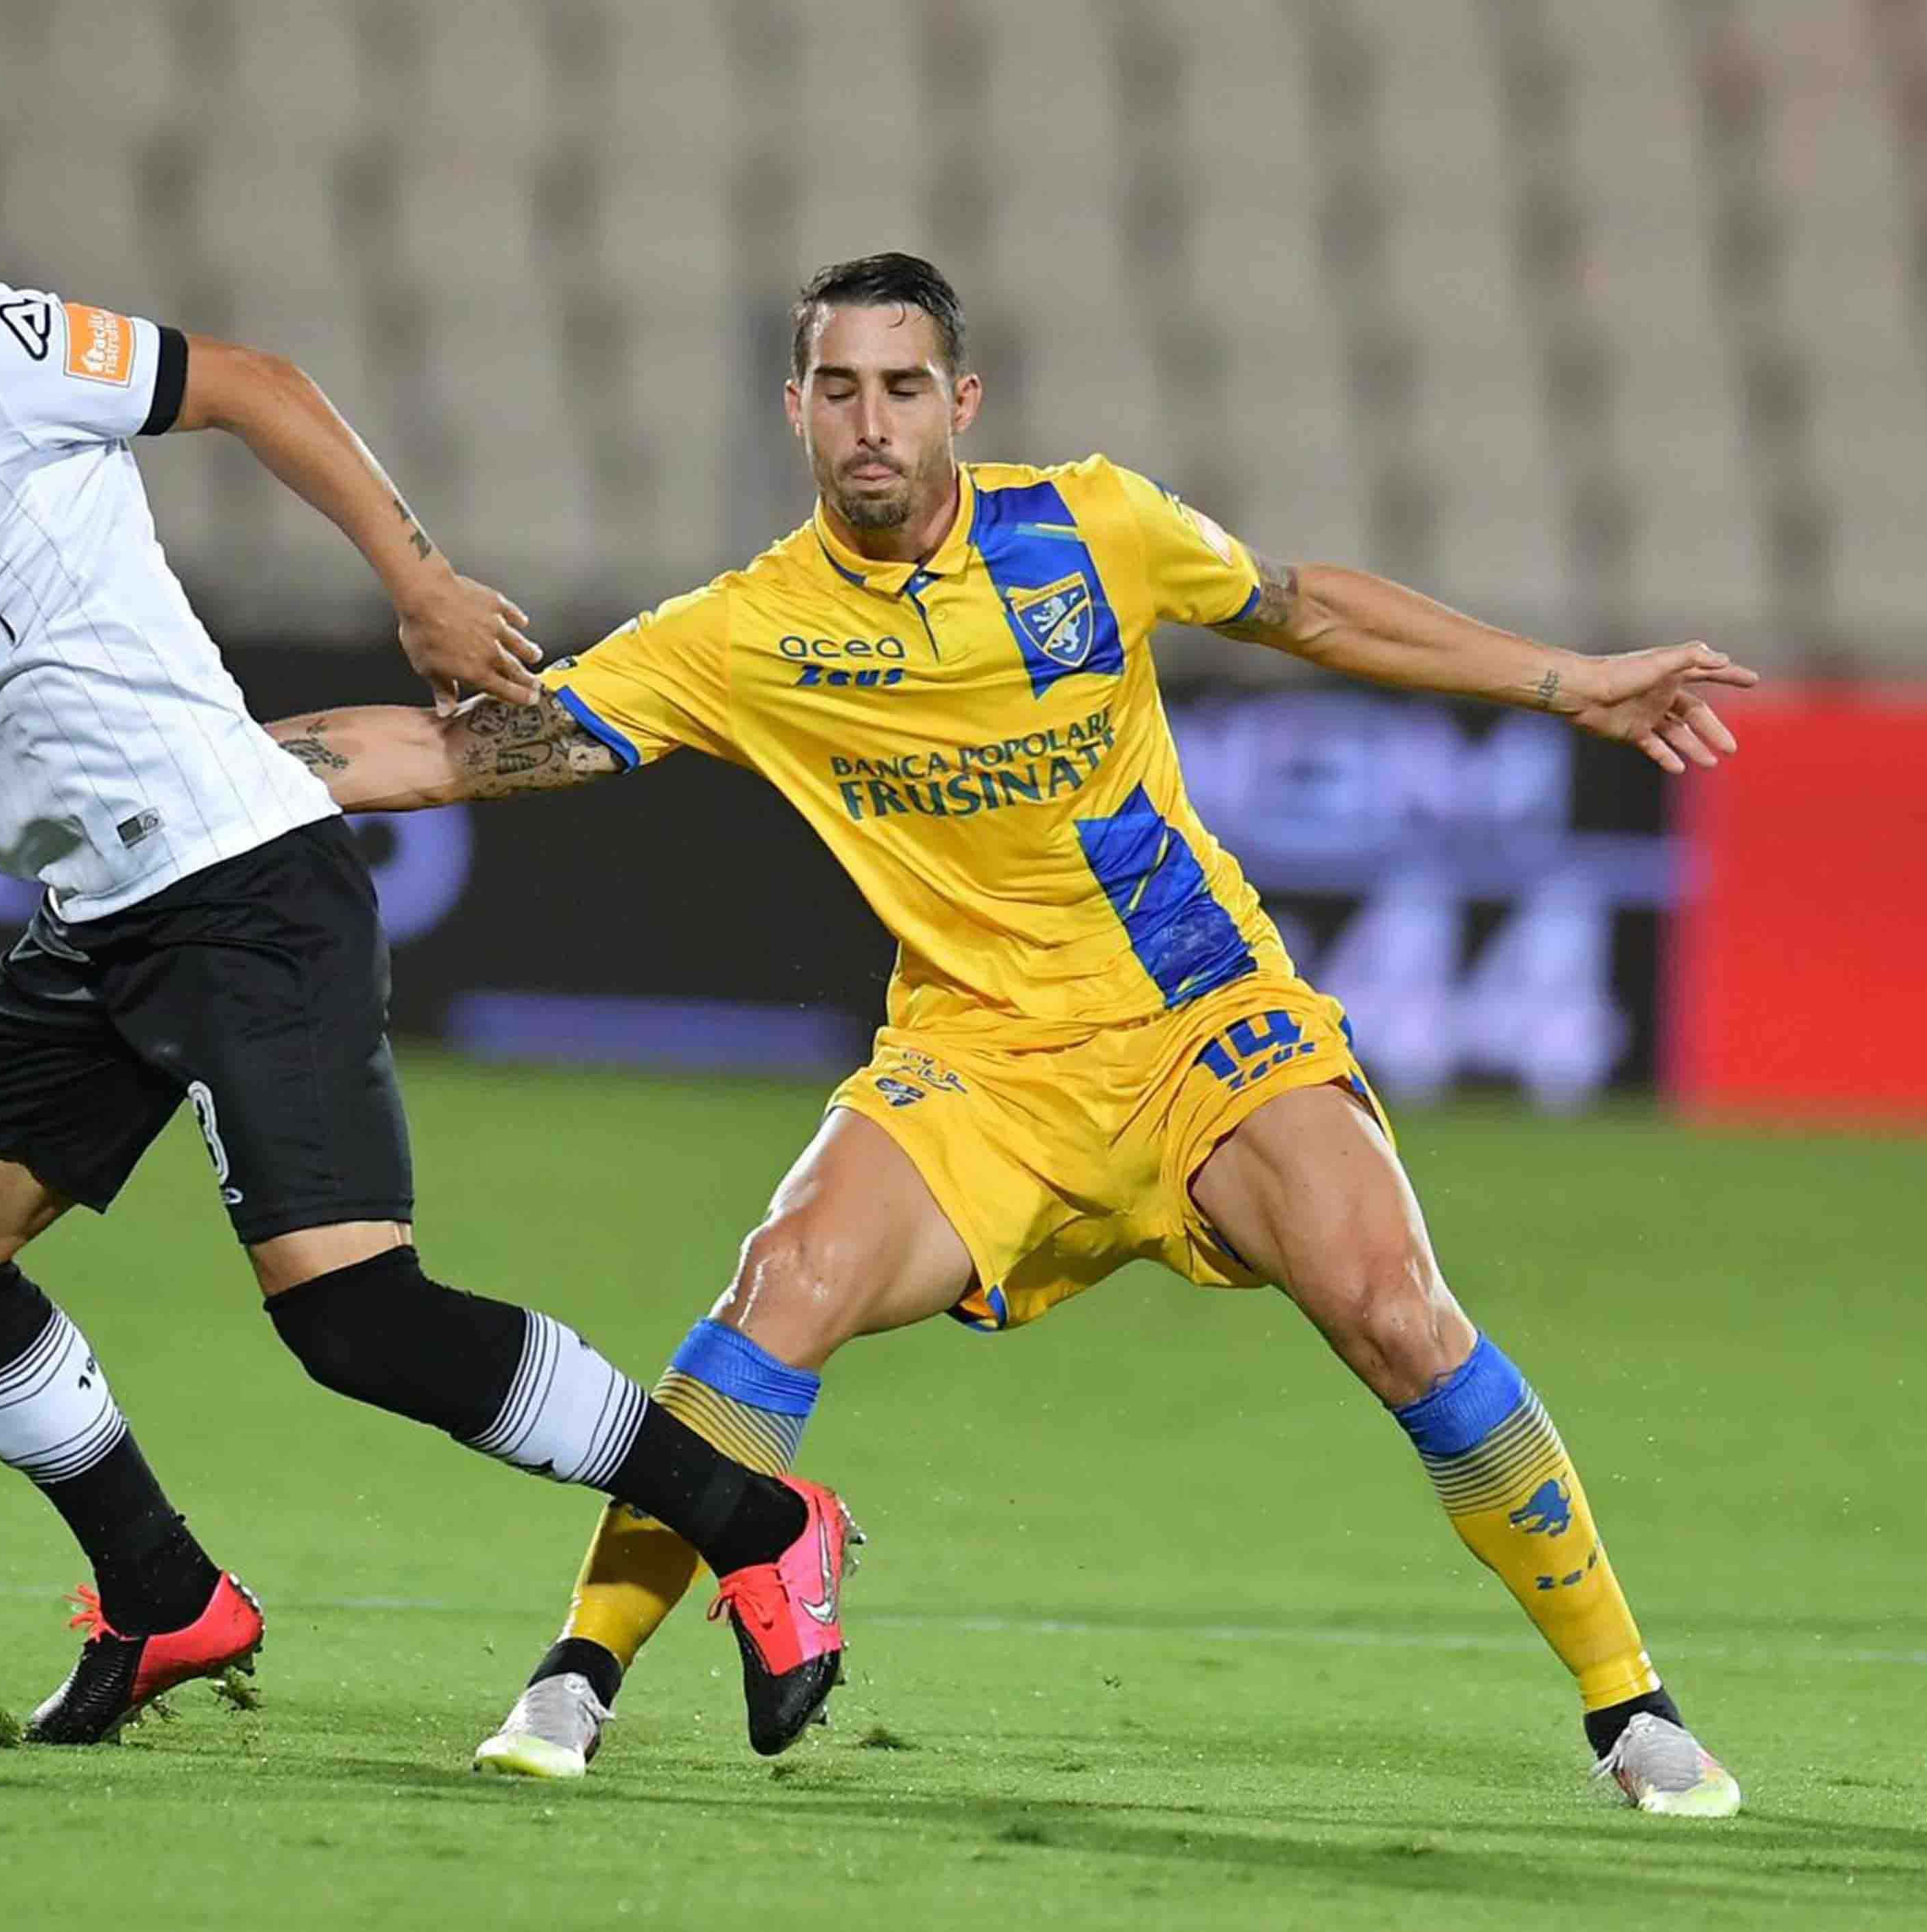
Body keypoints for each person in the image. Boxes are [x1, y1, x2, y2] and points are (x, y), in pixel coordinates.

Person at [266, 252, 1752, 1813]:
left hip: (1202, 1022)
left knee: (1395, 1310)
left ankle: (1628, 1704)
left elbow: (1298, 604)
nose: (871, 422)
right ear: (794, 407)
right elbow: (466, 753)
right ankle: (577, 1671)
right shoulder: (748, 629)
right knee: (784, 1280)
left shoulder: (1090, 525)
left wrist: (1570, 681)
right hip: (977, 1063)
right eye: (839, 388)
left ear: (959, 402)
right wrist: (202, 765)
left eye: (902, 387)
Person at [0, 174, 855, 1754]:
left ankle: (759, 1519)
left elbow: (255, 385)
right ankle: (162, 1590)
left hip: (244, 878)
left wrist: (417, 582)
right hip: (96, 920)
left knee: (357, 1319)